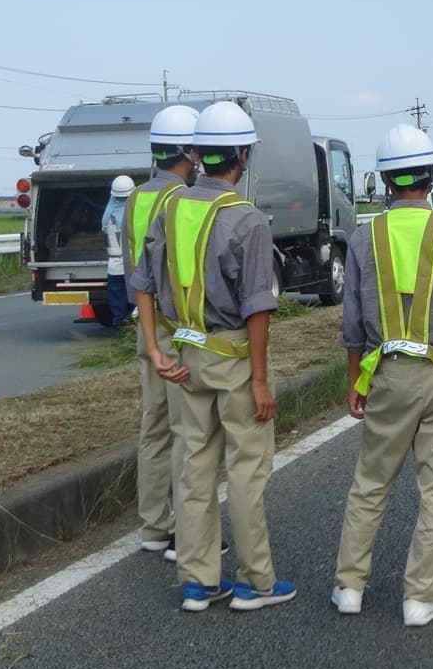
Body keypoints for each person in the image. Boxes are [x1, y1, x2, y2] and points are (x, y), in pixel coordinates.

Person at [132, 100, 295, 613]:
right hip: (233, 358)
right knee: (246, 468)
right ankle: (256, 582)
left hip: (185, 356)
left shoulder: (171, 207)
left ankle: (197, 581)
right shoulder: (247, 219)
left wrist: (154, 348)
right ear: (243, 156)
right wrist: (260, 379)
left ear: (199, 153)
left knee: (194, 466)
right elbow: (257, 307)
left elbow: (142, 283)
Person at [331, 124, 433, 628]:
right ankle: (421, 598)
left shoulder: (363, 238)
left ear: (383, 180)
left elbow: (352, 326)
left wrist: (355, 382)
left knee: (371, 482)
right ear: (432, 174)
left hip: (388, 374)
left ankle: (349, 587)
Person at [124, 104, 200, 560]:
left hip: (145, 327)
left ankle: (154, 526)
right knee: (185, 430)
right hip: (177, 330)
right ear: (190, 153)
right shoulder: (183, 201)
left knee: (152, 427)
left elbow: (134, 270)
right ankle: (185, 535)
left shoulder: (135, 198)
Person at [103, 175, 135, 327]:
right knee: (136, 295)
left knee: (117, 295)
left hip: (115, 263)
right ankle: (133, 320)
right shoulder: (133, 213)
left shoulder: (107, 215)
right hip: (132, 262)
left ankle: (119, 321)